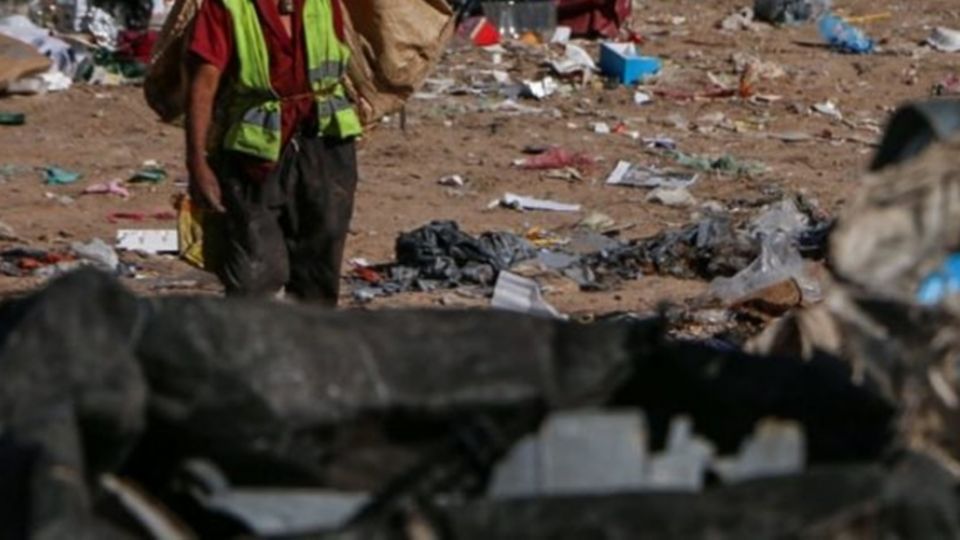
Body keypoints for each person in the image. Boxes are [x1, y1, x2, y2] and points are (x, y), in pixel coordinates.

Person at [185, 0, 361, 304]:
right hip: (253, 152)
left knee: (319, 265)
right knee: (253, 273)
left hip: (324, 142)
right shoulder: (228, 7)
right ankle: (251, 347)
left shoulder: (324, 4)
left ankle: (309, 344)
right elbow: (204, 83)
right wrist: (197, 162)